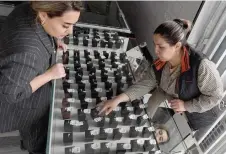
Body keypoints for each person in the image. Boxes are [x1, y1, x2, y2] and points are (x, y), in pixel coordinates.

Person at [99, 19, 224, 131]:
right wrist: (117, 100)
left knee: (178, 130)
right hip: (170, 94)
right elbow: (145, 84)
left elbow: (215, 97)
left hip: (198, 113)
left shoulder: (202, 67)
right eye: (155, 45)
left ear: (177, 46)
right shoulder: (162, 62)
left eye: (161, 47)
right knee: (148, 112)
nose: (155, 50)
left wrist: (186, 106)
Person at [0, 1, 82, 154]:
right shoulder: (28, 52)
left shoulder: (29, 6)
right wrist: (49, 74)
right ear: (44, 15)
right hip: (22, 106)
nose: (70, 31)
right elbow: (9, 94)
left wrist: (56, 37)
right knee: (38, 143)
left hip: (14, 69)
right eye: (65, 25)